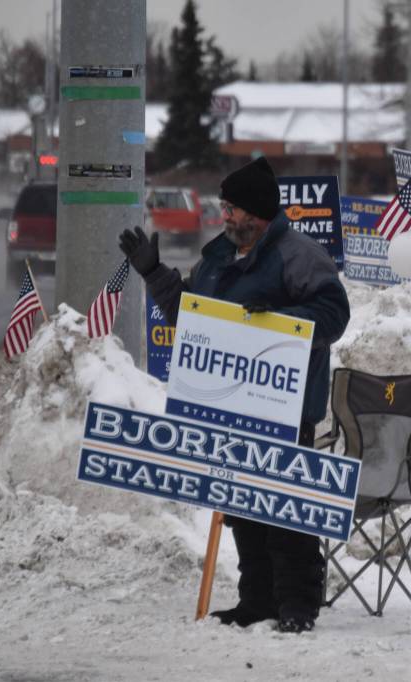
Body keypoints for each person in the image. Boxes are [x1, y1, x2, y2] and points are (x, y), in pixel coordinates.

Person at [119, 157, 350, 634]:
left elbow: (334, 312)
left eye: (231, 208)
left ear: (257, 212)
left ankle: (298, 603)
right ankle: (257, 600)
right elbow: (191, 314)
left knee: (284, 505)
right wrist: (153, 272)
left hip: (285, 405)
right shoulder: (218, 257)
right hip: (231, 404)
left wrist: (286, 321)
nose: (224, 216)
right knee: (243, 505)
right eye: (223, 207)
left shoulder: (298, 254)